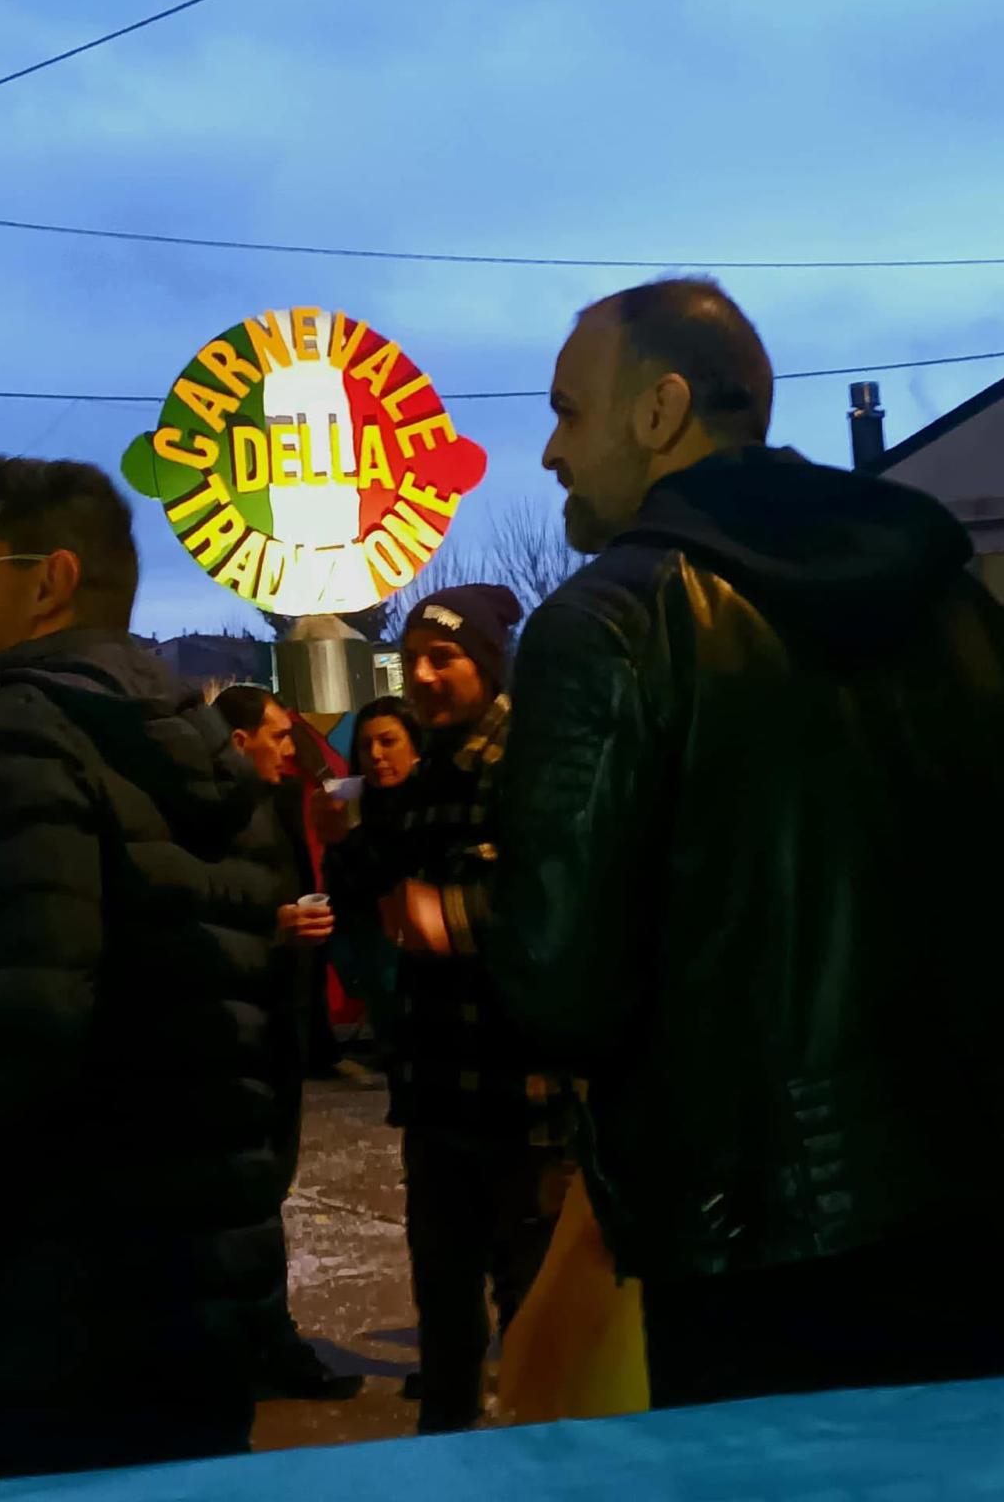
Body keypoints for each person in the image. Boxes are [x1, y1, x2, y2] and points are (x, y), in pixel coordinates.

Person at [388, 277, 1004, 1408]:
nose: (548, 452)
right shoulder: (953, 602)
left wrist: (480, 916)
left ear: (660, 408)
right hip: (977, 1208)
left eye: (567, 411)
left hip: (747, 1237)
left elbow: (565, 984)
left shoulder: (611, 620)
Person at [0, 457, 288, 1490]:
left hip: (24, 1329)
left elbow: (8, 1034)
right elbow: (262, 1034)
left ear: (49, 581)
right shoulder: (203, 749)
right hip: (192, 1308)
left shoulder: (14, 737)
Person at [327, 586, 570, 1434]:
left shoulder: (534, 760)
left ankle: (552, 1473)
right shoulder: (429, 771)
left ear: (489, 666)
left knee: (535, 1313)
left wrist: (453, 917)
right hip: (436, 1089)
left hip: (524, 1092)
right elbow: (375, 884)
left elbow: (571, 896)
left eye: (445, 658)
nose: (424, 676)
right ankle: (448, 1458)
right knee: (444, 1304)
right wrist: (347, 839)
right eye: (413, 660)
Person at [212, 686, 364, 1403]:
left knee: (265, 1186)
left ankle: (257, 1341)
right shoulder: (205, 816)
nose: (287, 747)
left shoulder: (276, 803)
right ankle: (261, 1346)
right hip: (232, 1031)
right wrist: (269, 928)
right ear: (238, 742)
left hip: (278, 1023)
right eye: (276, 735)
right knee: (244, 1197)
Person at [323, 697, 424, 1059]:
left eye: (388, 741)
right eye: (366, 746)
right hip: (372, 962)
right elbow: (343, 888)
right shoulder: (353, 802)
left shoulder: (432, 805)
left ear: (416, 747)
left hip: (423, 963)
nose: (376, 755)